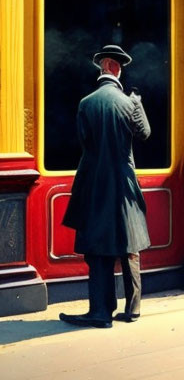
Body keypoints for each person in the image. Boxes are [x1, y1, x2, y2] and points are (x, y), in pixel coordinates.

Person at [59, 44, 151, 329]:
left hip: (95, 183)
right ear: (116, 67)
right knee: (130, 244)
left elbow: (84, 141)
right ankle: (133, 308)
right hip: (124, 183)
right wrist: (137, 103)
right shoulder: (128, 102)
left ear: (103, 67)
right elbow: (145, 134)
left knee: (98, 247)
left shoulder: (86, 103)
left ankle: (100, 310)